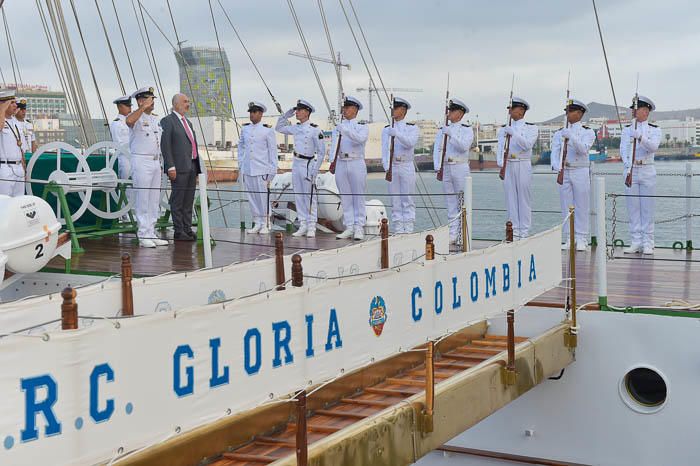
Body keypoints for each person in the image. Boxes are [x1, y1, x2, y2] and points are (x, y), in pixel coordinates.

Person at [550, 99, 596, 251]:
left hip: (580, 170)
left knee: (582, 205)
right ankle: (569, 237)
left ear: (579, 113)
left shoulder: (588, 132)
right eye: (567, 111)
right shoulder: (559, 132)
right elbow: (555, 153)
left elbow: (583, 150)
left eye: (570, 111)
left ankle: (582, 237)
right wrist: (558, 168)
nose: (567, 114)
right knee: (566, 205)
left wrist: (571, 137)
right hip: (565, 171)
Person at [276, 99, 325, 238]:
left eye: (299, 110)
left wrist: (315, 170)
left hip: (308, 164)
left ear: (307, 112)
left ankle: (311, 226)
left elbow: (321, 152)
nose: (296, 112)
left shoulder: (315, 130)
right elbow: (278, 128)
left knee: (310, 196)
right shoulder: (296, 128)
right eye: (296, 110)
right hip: (296, 164)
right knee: (298, 195)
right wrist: (286, 115)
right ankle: (303, 224)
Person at [126, 86, 168, 248]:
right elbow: (129, 121)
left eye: (153, 99)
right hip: (141, 161)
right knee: (143, 198)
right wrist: (142, 107)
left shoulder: (154, 119)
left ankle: (151, 231)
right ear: (141, 101)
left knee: (153, 199)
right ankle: (143, 234)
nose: (152, 102)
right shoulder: (136, 117)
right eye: (149, 99)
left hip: (155, 161)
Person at [621, 95, 661, 255]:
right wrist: (628, 166)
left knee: (647, 208)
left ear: (645, 111)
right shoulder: (627, 129)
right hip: (632, 169)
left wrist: (640, 137)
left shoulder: (654, 129)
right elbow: (623, 150)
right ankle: (636, 241)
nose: (633, 111)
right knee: (633, 208)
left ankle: (648, 242)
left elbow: (653, 147)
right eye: (633, 108)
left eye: (636, 108)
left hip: (647, 169)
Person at [160, 93, 201, 241]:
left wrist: (197, 169)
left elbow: (193, 146)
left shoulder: (188, 123)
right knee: (178, 200)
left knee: (188, 200)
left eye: (188, 101)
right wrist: (170, 166)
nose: (188, 104)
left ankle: (187, 228)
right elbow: (166, 146)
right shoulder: (167, 121)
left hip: (191, 166)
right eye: (185, 102)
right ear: (176, 104)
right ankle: (179, 231)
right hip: (178, 167)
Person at [432, 98, 474, 243]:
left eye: (452, 110)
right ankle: (452, 233)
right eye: (449, 110)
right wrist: (438, 166)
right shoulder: (443, 129)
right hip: (447, 167)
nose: (449, 113)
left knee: (462, 201)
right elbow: (437, 149)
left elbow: (463, 147)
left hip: (460, 166)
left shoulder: (466, 129)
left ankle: (464, 233)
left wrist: (451, 134)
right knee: (450, 202)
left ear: (460, 113)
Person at [497, 96, 538, 239]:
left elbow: (527, 145)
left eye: (512, 108)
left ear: (521, 111)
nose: (510, 111)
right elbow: (501, 147)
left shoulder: (531, 128)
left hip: (522, 162)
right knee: (511, 199)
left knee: (523, 198)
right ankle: (513, 230)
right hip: (509, 164)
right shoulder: (505, 128)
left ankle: (524, 231)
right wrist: (500, 164)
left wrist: (513, 134)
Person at [328, 96, 369, 240]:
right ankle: (349, 226)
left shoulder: (361, 125)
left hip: (356, 161)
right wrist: (331, 161)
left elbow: (360, 139)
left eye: (347, 107)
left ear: (355, 109)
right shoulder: (339, 126)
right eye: (344, 108)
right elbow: (334, 144)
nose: (344, 110)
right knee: (345, 196)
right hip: (341, 162)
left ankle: (359, 227)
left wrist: (344, 130)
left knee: (358, 196)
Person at [239, 101, 278, 235]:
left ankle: (266, 223)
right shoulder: (245, 129)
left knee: (263, 198)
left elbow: (273, 152)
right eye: (250, 112)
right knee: (252, 197)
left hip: (261, 169)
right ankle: (257, 222)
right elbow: (241, 147)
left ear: (261, 114)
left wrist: (272, 172)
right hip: (248, 169)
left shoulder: (267, 131)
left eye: (254, 112)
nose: (251, 115)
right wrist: (241, 163)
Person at [382, 97, 419, 234]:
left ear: (403, 110)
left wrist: (396, 134)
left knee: (407, 198)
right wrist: (387, 166)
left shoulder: (412, 128)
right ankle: (398, 227)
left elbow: (410, 143)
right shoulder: (387, 129)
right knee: (395, 198)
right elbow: (385, 149)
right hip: (393, 166)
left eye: (395, 108)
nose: (393, 111)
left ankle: (408, 228)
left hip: (406, 165)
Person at [109, 95, 133, 214]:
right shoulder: (116, 124)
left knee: (135, 187)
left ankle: (132, 211)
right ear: (119, 107)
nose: (129, 108)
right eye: (127, 106)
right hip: (124, 158)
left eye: (130, 106)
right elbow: (119, 143)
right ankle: (124, 214)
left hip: (134, 158)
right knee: (126, 187)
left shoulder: (132, 121)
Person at [0, 90, 24, 197]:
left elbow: (20, 146)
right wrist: (2, 109)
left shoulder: (16, 123)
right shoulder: (1, 120)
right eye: (11, 102)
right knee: (4, 202)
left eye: (15, 102)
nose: (15, 105)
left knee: (19, 203)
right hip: (5, 167)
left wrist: (24, 166)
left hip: (19, 168)